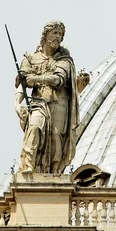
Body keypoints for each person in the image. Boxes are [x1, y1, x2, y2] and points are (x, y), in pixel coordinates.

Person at [15, 21, 79, 175]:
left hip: (59, 103)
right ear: (46, 35)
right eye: (55, 33)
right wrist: (17, 103)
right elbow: (22, 84)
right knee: (35, 127)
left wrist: (36, 79)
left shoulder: (64, 59)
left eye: (60, 34)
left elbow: (58, 80)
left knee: (56, 138)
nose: (58, 37)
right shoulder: (30, 59)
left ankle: (55, 173)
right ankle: (29, 165)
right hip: (39, 103)